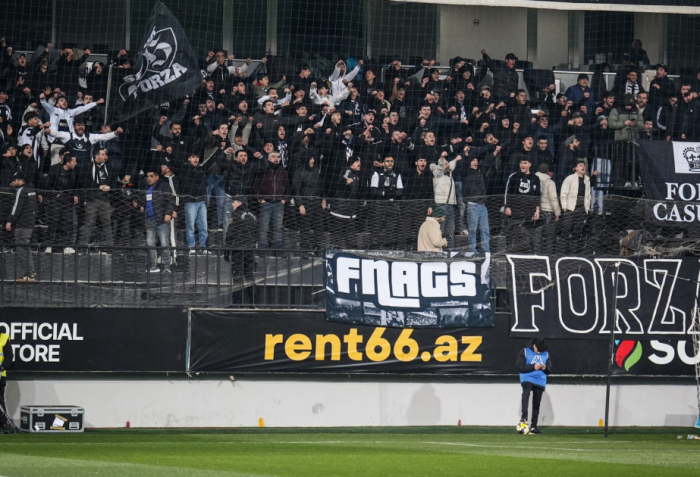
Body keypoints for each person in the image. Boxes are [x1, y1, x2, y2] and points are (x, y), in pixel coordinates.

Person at [136, 170, 176, 273]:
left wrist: (168, 213)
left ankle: (167, 266)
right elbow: (145, 201)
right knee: (150, 244)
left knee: (164, 244)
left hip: (162, 220)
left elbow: (170, 200)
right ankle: (154, 266)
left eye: (151, 176)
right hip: (150, 220)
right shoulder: (147, 188)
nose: (149, 178)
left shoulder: (164, 186)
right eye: (147, 176)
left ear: (157, 177)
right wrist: (141, 205)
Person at [78, 148, 116, 250]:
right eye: (103, 154)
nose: (105, 157)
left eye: (105, 155)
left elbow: (114, 180)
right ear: (96, 156)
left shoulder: (109, 167)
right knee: (89, 223)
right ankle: (83, 246)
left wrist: (110, 187)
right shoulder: (87, 167)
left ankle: (110, 246)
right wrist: (98, 186)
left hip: (105, 199)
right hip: (91, 199)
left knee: (107, 223)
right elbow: (83, 182)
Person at [5, 172, 38, 282]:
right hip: (30, 223)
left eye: (14, 181)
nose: (13, 183)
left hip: (22, 224)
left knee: (21, 248)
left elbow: (16, 207)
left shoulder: (21, 190)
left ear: (20, 181)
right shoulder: (32, 190)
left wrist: (10, 221)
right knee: (26, 247)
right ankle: (31, 270)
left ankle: (30, 275)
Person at [516, 337, 552, 435]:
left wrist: (545, 367)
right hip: (527, 378)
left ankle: (534, 426)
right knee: (526, 393)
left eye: (541, 351)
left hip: (540, 380)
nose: (539, 352)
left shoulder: (546, 354)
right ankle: (523, 419)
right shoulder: (524, 351)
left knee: (536, 403)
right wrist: (533, 367)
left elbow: (549, 370)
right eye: (538, 350)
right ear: (534, 346)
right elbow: (519, 367)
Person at [560, 160, 593, 253]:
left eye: (584, 165)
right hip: (570, 208)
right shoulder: (569, 178)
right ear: (575, 168)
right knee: (566, 230)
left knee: (578, 231)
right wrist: (564, 207)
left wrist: (587, 208)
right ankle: (562, 252)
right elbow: (563, 193)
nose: (583, 167)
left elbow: (588, 195)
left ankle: (574, 252)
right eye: (580, 165)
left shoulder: (587, 179)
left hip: (581, 209)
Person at [0, 329, 14, 433]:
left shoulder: (4, 338)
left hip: (0, 374)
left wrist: (3, 367)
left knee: (0, 400)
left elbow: (9, 355)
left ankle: (3, 424)